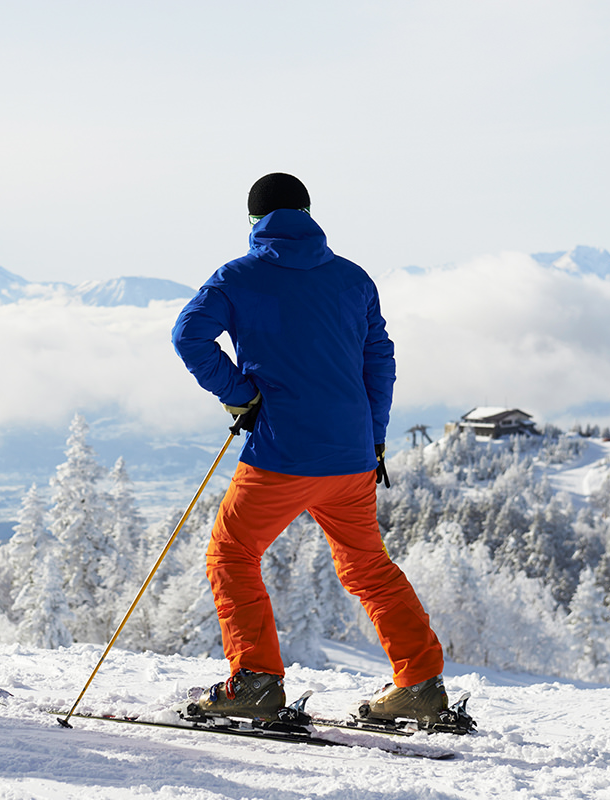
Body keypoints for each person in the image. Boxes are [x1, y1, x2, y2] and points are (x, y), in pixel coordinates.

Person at [171, 173, 448, 727]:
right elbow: (380, 361)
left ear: (254, 220)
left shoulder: (237, 277)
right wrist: (372, 437)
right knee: (369, 567)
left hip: (282, 453)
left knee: (231, 553)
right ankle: (419, 683)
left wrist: (240, 395)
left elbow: (189, 336)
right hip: (350, 456)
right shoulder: (352, 278)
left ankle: (254, 682)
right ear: (307, 212)